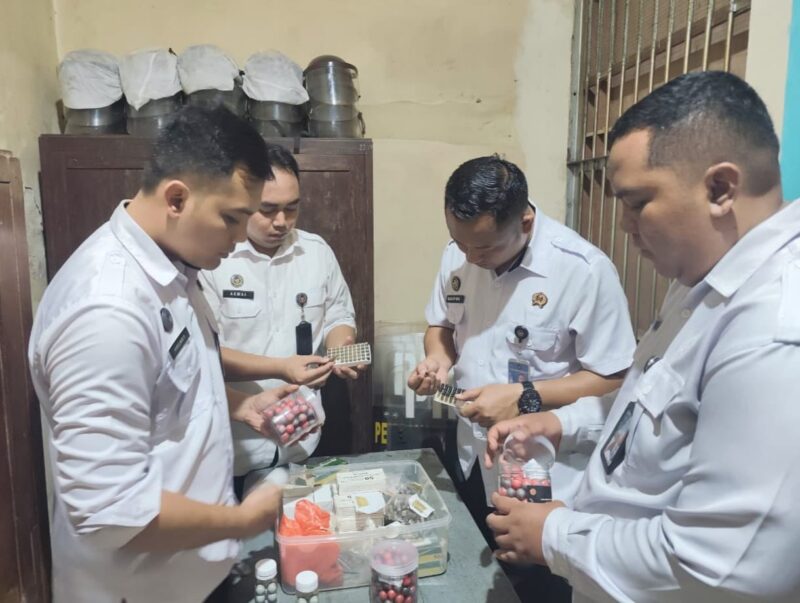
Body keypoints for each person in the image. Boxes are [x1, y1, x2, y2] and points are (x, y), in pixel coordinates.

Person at [485, 71, 800, 603]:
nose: (625, 225)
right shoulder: (702, 279)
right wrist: (560, 422)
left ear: (720, 189)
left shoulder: (773, 327)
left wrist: (553, 535)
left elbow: (723, 565)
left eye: (637, 202)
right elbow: (650, 407)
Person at [28, 106, 290, 603]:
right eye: (231, 219)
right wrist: (243, 519)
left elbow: (167, 387)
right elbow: (110, 511)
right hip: (139, 589)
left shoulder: (173, 267)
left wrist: (240, 404)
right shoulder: (107, 311)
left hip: (193, 572)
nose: (240, 238)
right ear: (176, 198)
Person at [407, 155, 636, 538]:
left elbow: (613, 377)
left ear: (525, 222)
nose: (470, 258)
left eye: (484, 248)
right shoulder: (459, 254)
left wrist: (524, 396)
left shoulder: (582, 270)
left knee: (531, 571)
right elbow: (441, 325)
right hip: (470, 454)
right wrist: (437, 360)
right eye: (460, 243)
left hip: (541, 469)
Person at [201, 143, 364, 482]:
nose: (282, 222)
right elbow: (202, 353)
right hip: (232, 443)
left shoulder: (316, 252)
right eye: (268, 210)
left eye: (292, 209)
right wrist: (281, 367)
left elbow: (338, 315)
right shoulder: (213, 258)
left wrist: (341, 347)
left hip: (301, 437)